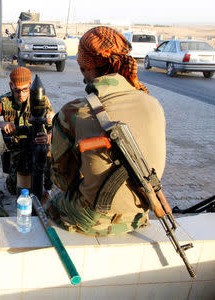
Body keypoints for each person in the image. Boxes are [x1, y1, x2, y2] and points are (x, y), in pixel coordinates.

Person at [47, 26, 166, 236]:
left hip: (95, 219)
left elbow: (63, 182)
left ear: (84, 65)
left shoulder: (75, 112)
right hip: (143, 210)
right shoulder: (153, 103)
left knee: (53, 206)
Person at [0, 67, 55, 198]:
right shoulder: (4, 102)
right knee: (13, 189)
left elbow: (53, 126)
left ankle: (48, 190)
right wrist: (0, 124)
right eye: (17, 90)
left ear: (30, 85)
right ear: (11, 86)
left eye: (25, 90)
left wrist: (49, 137)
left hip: (37, 146)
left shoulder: (42, 101)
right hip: (17, 149)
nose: (21, 94)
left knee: (48, 155)